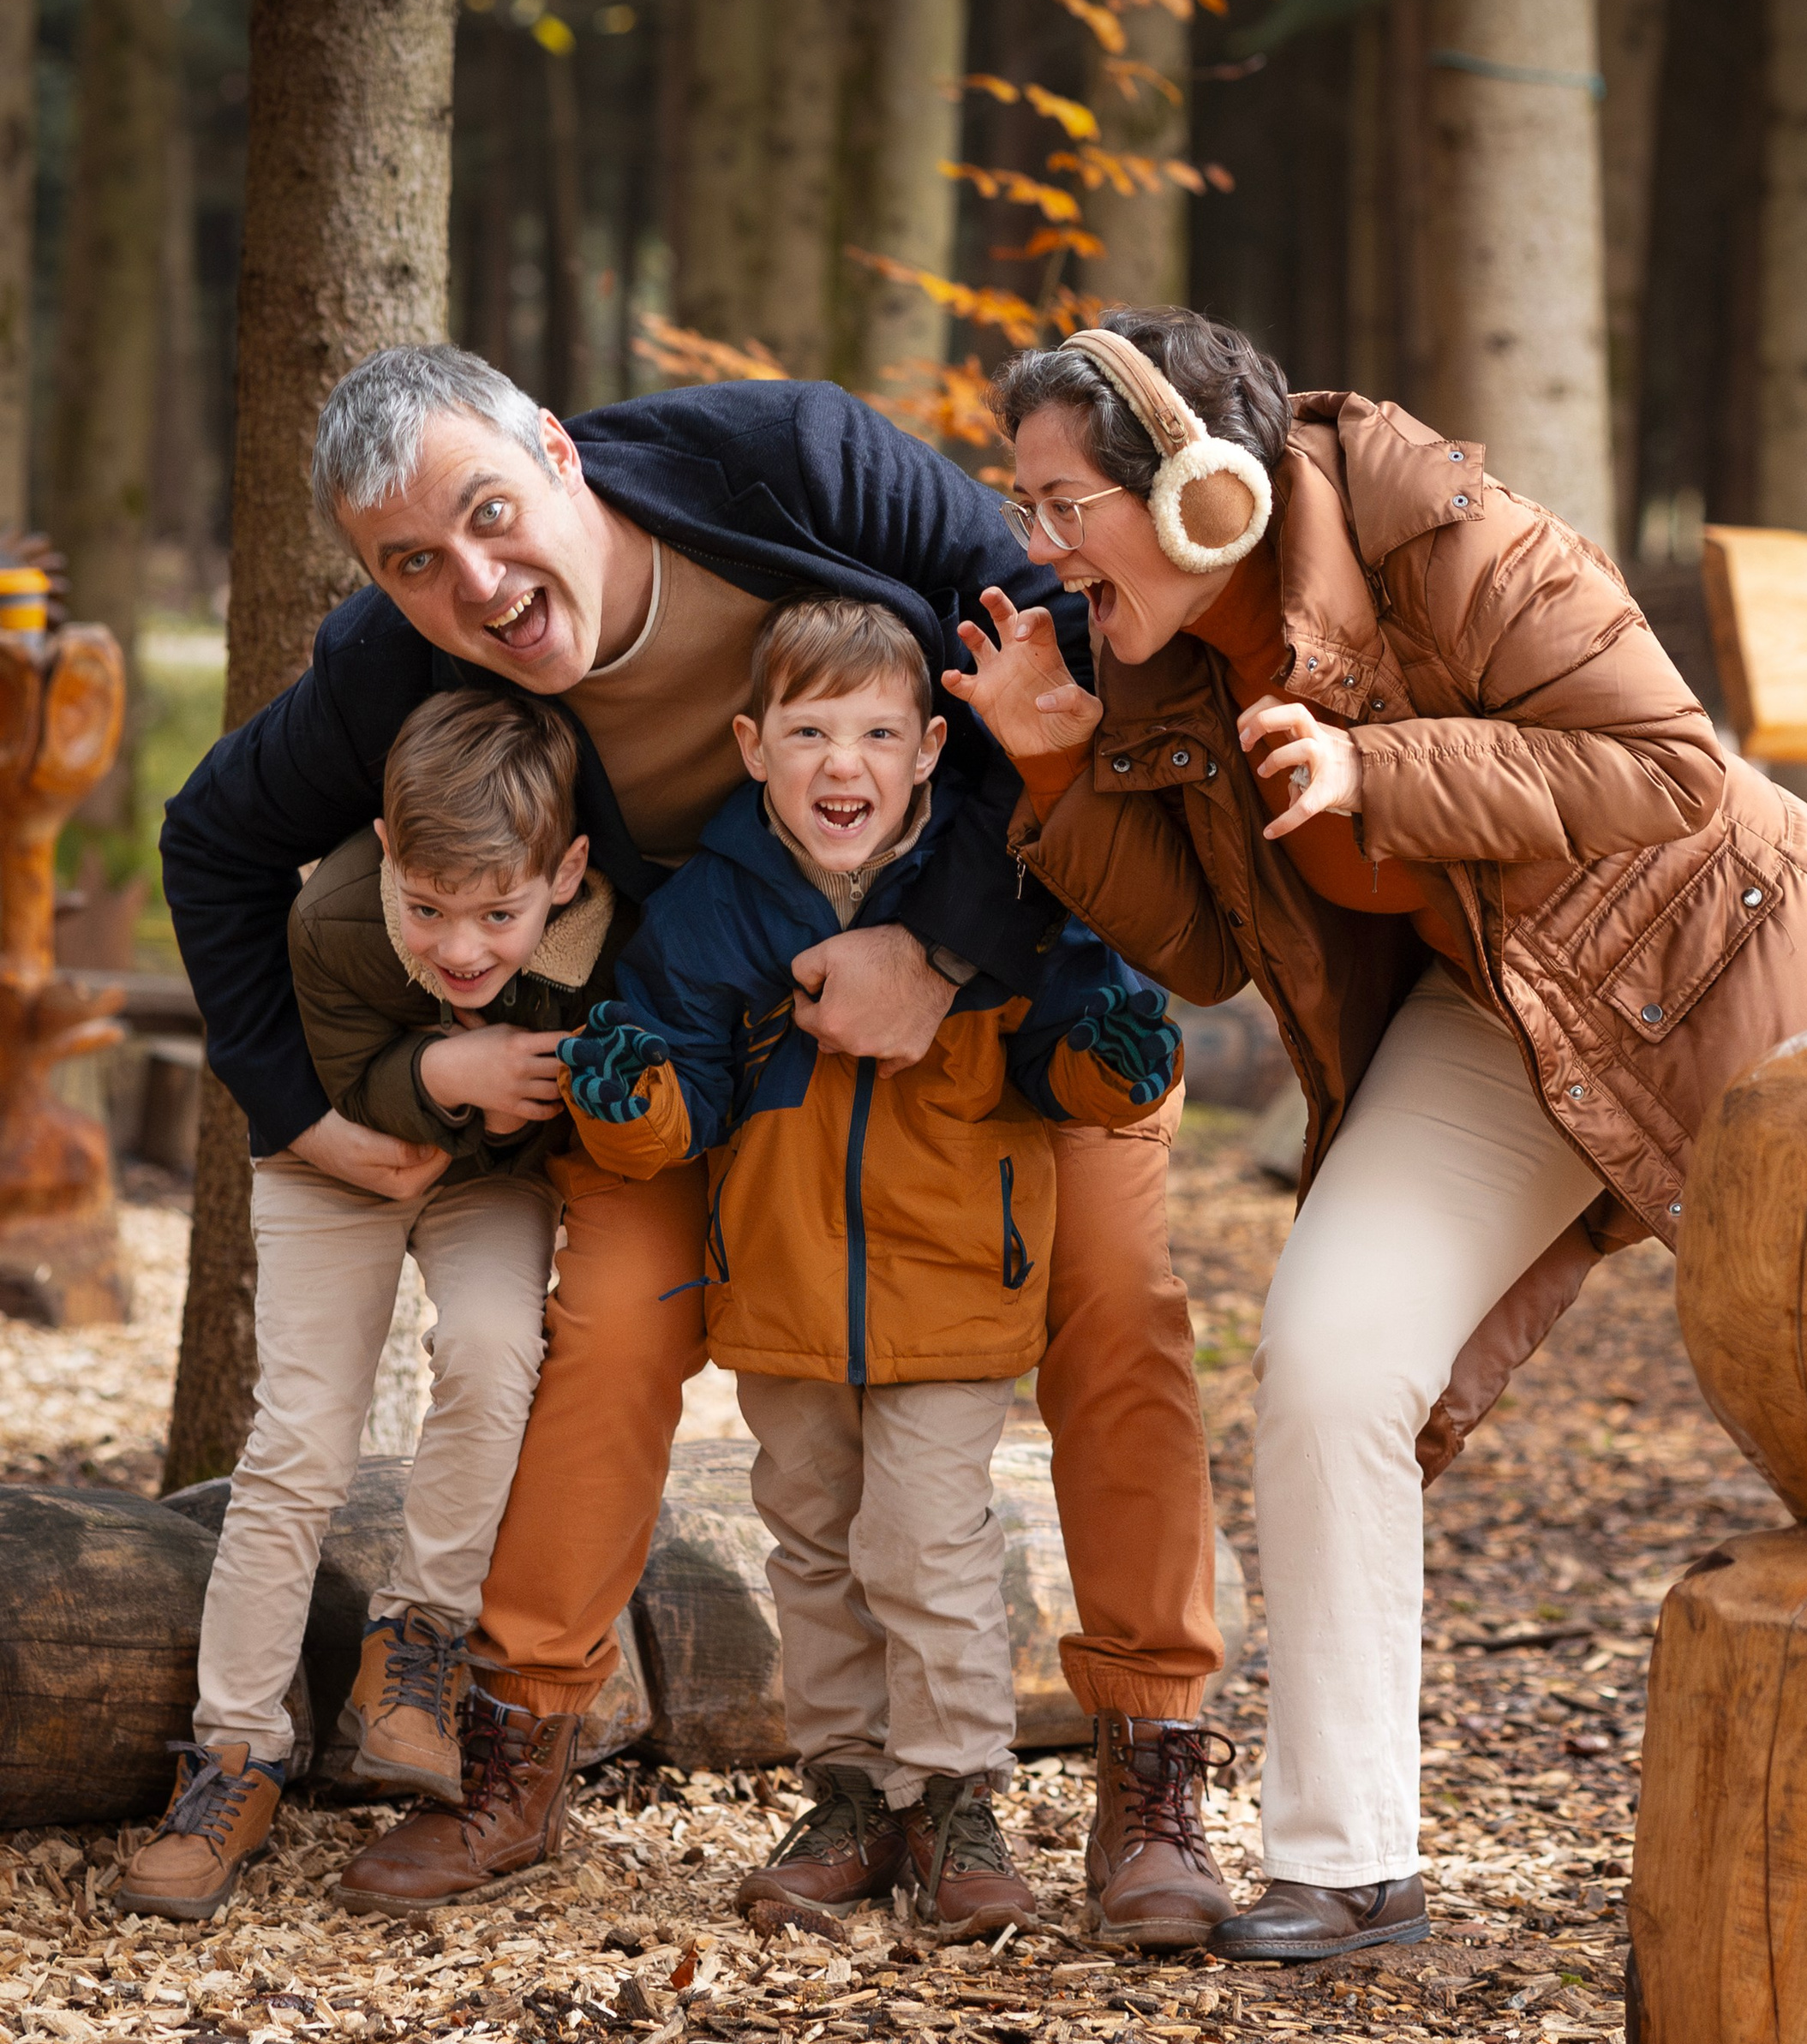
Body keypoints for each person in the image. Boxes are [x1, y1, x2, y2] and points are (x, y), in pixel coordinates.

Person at [949, 305, 1807, 1972]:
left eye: (1058, 503)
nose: (1040, 546)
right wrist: (1059, 778)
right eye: (1020, 504)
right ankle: (1344, 1867)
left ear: (1201, 493)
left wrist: (1374, 773)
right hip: (1491, 1013)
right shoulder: (1148, 657)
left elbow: (1659, 768)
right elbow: (1207, 951)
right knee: (1329, 1354)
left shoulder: (1433, 521)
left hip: (1727, 967)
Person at [163, 346, 1235, 1942]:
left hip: (1021, 985)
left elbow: (1067, 641)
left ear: (555, 450)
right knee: (610, 1322)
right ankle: (517, 1746)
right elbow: (215, 836)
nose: (478, 582)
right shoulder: (401, 662)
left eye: (489, 512)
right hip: (707, 1038)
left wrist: (939, 950)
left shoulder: (783, 464)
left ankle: (1153, 1771)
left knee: (1114, 1308)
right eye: (414, 565)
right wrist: (307, 1111)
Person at [545, 594, 1185, 1941]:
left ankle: (954, 1795)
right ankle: (848, 1795)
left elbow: (1068, 1024)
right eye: (812, 730)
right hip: (780, 1292)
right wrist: (628, 1096)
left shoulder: (983, 882)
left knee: (926, 1540)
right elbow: (686, 1094)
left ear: (932, 750)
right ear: (752, 743)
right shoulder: (717, 905)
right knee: (816, 1542)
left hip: (957, 1277)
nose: (846, 761)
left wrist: (1109, 1058)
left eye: (879, 731)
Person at [117, 691, 628, 1923]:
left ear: (564, 874)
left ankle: (416, 1641)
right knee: (297, 1441)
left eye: (499, 914)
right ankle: (233, 1753)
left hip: (490, 1179)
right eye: (431, 909)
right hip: (328, 1158)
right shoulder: (337, 915)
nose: (462, 950)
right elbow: (337, 1080)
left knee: (498, 1347)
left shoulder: (607, 936)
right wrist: (449, 1068)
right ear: (390, 858)